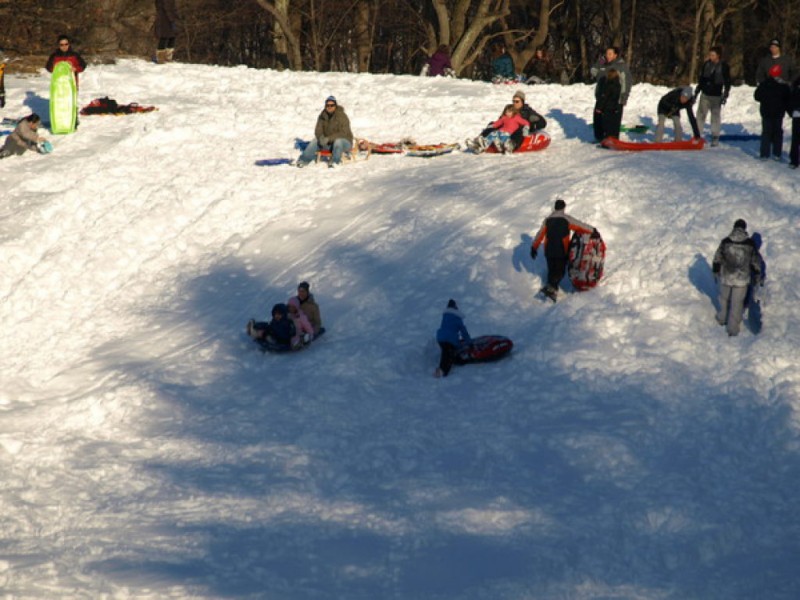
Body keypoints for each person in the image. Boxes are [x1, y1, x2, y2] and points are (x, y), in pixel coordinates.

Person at [530, 198, 594, 301]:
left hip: (549, 251)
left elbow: (540, 234)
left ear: (555, 208)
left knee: (552, 270)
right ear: (564, 208)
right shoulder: (566, 219)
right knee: (560, 271)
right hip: (561, 250)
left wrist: (534, 247)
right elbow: (580, 226)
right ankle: (551, 289)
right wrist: (593, 230)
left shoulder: (547, 220)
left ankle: (550, 290)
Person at [712, 219, 763, 337]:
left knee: (724, 299)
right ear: (744, 229)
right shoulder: (750, 244)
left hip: (726, 277)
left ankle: (722, 318)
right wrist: (757, 274)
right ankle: (733, 329)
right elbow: (755, 262)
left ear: (734, 227)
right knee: (737, 304)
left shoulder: (726, 241)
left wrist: (716, 270)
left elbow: (717, 258)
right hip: (742, 279)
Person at [467, 90, 546, 152]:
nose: (515, 103)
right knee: (492, 124)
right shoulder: (510, 108)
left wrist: (536, 121)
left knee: (519, 130)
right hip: (507, 129)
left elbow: (543, 123)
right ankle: (480, 141)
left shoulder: (528, 111)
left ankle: (512, 144)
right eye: (513, 101)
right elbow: (501, 119)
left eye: (517, 101)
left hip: (519, 130)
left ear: (522, 101)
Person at [296, 96, 354, 168]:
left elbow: (343, 133)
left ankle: (335, 162)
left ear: (335, 106)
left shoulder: (342, 116)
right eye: (327, 105)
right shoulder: (322, 116)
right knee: (315, 140)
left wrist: (328, 138)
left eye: (332, 105)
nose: (329, 107)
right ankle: (303, 161)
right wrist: (321, 138)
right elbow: (318, 130)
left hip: (345, 142)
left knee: (338, 141)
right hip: (330, 143)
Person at [591, 46, 632, 141]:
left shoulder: (621, 66)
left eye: (610, 54)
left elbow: (627, 82)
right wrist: (601, 61)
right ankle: (600, 138)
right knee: (598, 119)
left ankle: (612, 139)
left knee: (612, 121)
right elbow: (593, 70)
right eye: (606, 54)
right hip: (601, 97)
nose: (607, 56)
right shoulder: (603, 64)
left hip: (615, 99)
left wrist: (624, 97)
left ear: (615, 55)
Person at [695, 46, 731, 146]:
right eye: (710, 55)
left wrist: (726, 93)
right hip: (705, 94)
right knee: (701, 115)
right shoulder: (706, 64)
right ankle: (697, 135)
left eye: (713, 55)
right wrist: (697, 91)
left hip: (716, 95)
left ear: (718, 56)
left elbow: (727, 81)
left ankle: (715, 136)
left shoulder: (724, 66)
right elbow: (701, 79)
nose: (710, 57)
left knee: (715, 117)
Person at [754, 64, 790, 161]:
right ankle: (777, 153)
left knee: (766, 132)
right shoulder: (783, 85)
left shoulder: (764, 84)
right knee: (778, 132)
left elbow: (757, 96)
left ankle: (764, 154)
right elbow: (788, 98)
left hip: (766, 111)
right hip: (778, 112)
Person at [434, 299, 471, 378]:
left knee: (445, 353)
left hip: (440, 338)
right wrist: (469, 342)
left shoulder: (445, 316)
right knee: (449, 355)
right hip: (450, 339)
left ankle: (441, 369)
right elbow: (464, 332)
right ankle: (443, 372)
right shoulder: (457, 318)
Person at [594, 68, 622, 141]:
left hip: (607, 108)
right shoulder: (618, 84)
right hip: (615, 107)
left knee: (606, 125)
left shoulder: (608, 85)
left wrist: (599, 108)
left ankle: (607, 140)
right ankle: (613, 138)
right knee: (613, 125)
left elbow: (604, 97)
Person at [788, 74, 800, 169]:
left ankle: (793, 161)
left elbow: (790, 100)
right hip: (796, 113)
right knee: (795, 139)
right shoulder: (795, 85)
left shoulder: (795, 85)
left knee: (795, 139)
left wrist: (791, 111)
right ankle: (793, 160)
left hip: (796, 113)